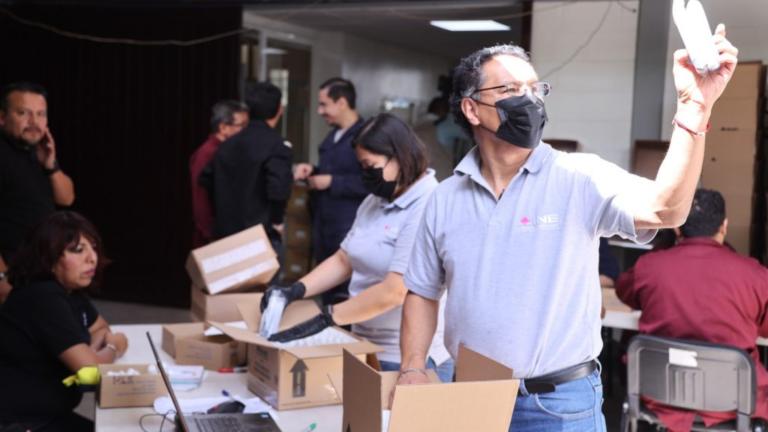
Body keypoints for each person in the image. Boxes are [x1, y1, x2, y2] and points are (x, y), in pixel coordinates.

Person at [397, 25, 738, 432]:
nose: (528, 99)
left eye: (535, 88)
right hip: (470, 395)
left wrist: (694, 109)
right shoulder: (445, 198)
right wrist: (413, 366)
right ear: (471, 109)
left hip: (558, 404)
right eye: (509, 89)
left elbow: (666, 211)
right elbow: (421, 290)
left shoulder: (578, 177)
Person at [262, 113, 453, 380]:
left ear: (400, 156)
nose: (365, 175)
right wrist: (296, 290)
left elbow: (395, 290)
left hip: (406, 359)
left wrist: (327, 318)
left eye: (370, 165)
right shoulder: (375, 201)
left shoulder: (429, 203)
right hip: (366, 345)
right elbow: (344, 259)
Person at [616, 189, 768, 431]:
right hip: (735, 400)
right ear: (724, 226)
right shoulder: (755, 276)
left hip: (659, 393)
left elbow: (625, 292)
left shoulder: (650, 267)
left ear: (677, 228)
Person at [0, 211, 128, 432]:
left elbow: (100, 326)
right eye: (78, 250)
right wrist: (112, 346)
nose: (92, 258)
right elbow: (91, 373)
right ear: (48, 258)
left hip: (49, 416)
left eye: (93, 247)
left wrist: (88, 352)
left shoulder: (69, 291)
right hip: (22, 425)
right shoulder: (43, 297)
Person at [293, 78, 367, 305]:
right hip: (324, 224)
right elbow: (330, 171)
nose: (319, 111)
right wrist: (313, 170)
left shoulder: (365, 136)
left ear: (342, 102)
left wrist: (333, 182)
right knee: (327, 292)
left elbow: (371, 183)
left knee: (345, 295)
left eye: (324, 104)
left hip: (348, 225)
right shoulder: (332, 135)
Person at [0, 82, 75, 302]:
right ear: (3, 117)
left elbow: (66, 198)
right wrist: (2, 278)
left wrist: (51, 165)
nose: (34, 122)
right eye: (23, 113)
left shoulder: (39, 151)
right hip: (11, 274)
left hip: (41, 269)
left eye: (41, 114)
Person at [199, 82, 293, 248]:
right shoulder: (277, 146)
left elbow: (206, 179)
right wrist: (277, 221)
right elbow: (278, 189)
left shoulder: (227, 144)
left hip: (225, 234)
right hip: (258, 237)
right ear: (279, 109)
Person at [189, 100, 249, 247]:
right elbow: (200, 199)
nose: (245, 131)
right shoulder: (208, 154)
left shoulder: (227, 151)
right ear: (223, 127)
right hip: (212, 238)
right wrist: (210, 234)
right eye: (241, 126)